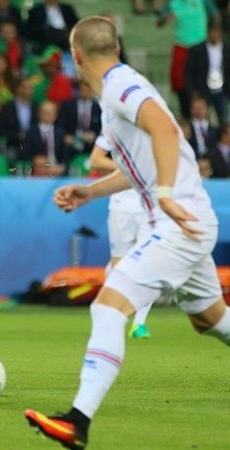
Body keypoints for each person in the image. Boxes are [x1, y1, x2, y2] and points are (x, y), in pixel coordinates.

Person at [26, 17, 230, 449]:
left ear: (75, 56)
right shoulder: (118, 89)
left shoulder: (120, 87)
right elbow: (142, 166)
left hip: (176, 223)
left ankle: (77, 420)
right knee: (210, 320)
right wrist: (90, 192)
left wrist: (169, 195)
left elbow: (163, 127)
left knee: (107, 306)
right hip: (185, 221)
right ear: (116, 47)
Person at [89, 139, 153, 339]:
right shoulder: (112, 125)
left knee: (149, 262)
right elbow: (95, 161)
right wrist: (126, 168)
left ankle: (139, 323)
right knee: (118, 265)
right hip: (121, 207)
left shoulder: (156, 127)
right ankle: (110, 316)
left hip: (150, 207)